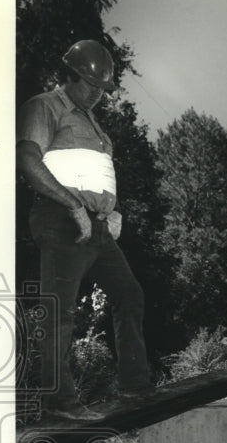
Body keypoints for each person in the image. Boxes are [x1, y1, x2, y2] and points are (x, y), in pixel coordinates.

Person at [17, 40, 151, 421]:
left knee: (129, 294)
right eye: (90, 86)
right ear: (70, 75)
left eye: (102, 90)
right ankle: (58, 404)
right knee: (60, 311)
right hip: (60, 218)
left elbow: (93, 173)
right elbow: (27, 159)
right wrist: (71, 204)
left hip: (97, 225)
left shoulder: (93, 122)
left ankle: (135, 387)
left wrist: (114, 209)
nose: (97, 95)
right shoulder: (46, 106)